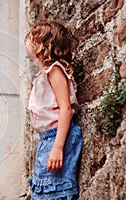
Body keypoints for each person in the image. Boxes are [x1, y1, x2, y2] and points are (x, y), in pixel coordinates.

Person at [24, 20, 83, 199]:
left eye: (30, 38)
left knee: (54, 193)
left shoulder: (55, 71)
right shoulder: (45, 73)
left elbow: (65, 108)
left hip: (57, 138)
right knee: (43, 192)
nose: (26, 41)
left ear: (43, 45)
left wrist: (57, 148)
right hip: (47, 139)